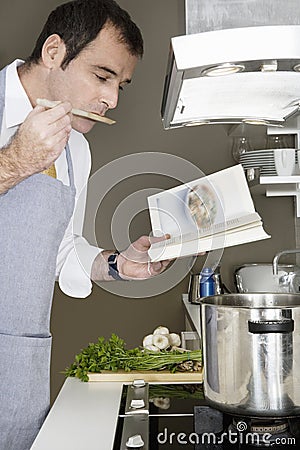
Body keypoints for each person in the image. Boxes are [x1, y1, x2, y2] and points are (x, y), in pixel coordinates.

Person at [0, 1, 169, 448]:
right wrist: (16, 160)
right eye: (101, 76)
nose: (111, 99)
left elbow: (56, 250)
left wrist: (116, 264)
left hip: (15, 366)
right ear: (54, 51)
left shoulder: (75, 147)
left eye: (120, 85)